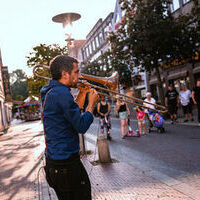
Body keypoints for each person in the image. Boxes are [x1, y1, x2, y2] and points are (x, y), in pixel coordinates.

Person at [41, 55, 99, 200]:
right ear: (65, 74)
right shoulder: (61, 94)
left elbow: (70, 113)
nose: (80, 76)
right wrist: (91, 104)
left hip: (56, 164)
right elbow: (80, 125)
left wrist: (83, 93)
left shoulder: (51, 91)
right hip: (66, 166)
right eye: (77, 72)